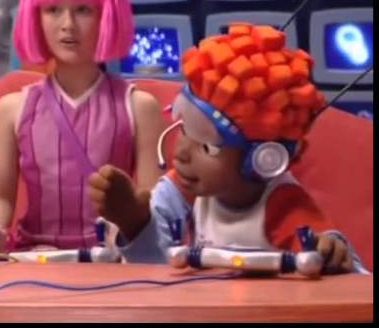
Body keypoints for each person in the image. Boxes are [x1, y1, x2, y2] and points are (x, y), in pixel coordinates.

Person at [89, 23, 367, 273]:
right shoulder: (185, 187)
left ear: (263, 160)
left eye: (206, 146)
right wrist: (136, 222)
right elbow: (157, 265)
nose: (182, 153)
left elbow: (351, 281)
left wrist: (330, 256)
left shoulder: (284, 206)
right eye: (184, 128)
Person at [0, 0, 164, 251]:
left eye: (83, 10)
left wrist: (128, 233)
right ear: (35, 19)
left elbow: (151, 200)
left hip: (113, 259)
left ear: (106, 17)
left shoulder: (140, 107)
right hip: (35, 258)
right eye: (53, 10)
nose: (68, 25)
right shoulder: (11, 109)